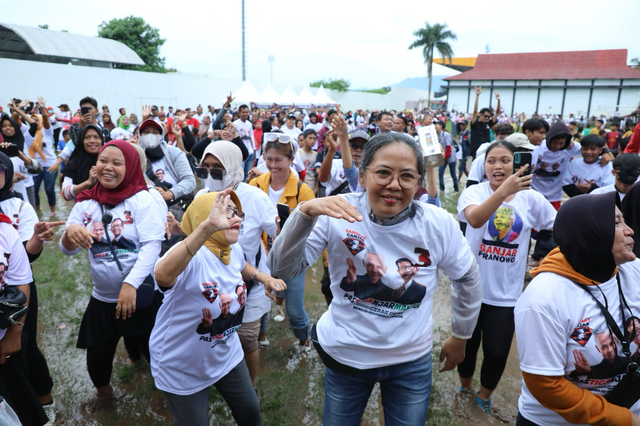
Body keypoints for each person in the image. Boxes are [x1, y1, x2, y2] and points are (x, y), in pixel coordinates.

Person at [268, 132, 481, 425]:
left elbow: (468, 279)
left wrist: (461, 335)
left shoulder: (438, 223)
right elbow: (281, 269)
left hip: (410, 358)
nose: (394, 185)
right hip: (347, 356)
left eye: (406, 176)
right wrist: (304, 214)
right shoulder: (337, 211)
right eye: (383, 173)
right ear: (363, 175)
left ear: (418, 184)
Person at [514, 192, 640, 426]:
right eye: (616, 222)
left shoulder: (633, 271)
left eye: (624, 220)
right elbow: (547, 385)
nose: (629, 229)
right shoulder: (542, 300)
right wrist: (626, 420)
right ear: (589, 234)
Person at [60, 140, 165, 412]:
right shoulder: (85, 203)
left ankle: (168, 392)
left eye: (117, 163)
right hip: (104, 299)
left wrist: (131, 283)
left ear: (130, 167)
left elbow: (153, 245)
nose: (107, 167)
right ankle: (105, 395)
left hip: (140, 296)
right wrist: (69, 235)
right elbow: (67, 250)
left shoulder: (142, 199)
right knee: (97, 355)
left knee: (157, 353)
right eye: (103, 160)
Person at [151, 189, 269, 426]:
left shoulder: (232, 248)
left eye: (237, 213)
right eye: (226, 213)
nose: (235, 218)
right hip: (181, 363)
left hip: (225, 352)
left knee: (250, 412)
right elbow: (162, 275)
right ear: (205, 217)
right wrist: (206, 229)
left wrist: (262, 277)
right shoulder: (190, 256)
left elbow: (239, 265)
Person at [456, 141, 556, 414]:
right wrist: (503, 193)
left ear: (518, 164)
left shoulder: (531, 198)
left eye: (504, 160)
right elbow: (475, 220)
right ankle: (464, 388)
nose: (497, 166)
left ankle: (484, 397)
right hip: (470, 289)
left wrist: (548, 261)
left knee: (498, 352)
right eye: (491, 161)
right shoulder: (474, 192)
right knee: (466, 346)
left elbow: (559, 226)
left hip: (507, 295)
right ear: (483, 166)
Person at [188, 141, 283, 385]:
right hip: (214, 284)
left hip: (249, 280)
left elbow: (278, 233)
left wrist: (288, 223)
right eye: (204, 170)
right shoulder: (202, 196)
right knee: (216, 333)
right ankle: (214, 375)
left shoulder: (255, 197)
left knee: (246, 338)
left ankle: (249, 385)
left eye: (217, 170)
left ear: (232, 168)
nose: (209, 176)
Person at [249, 135, 315, 350]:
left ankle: (304, 340)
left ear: (291, 160)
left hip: (292, 257)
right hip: (261, 253)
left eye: (279, 160)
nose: (273, 165)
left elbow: (314, 230)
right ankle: (260, 335)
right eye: (269, 159)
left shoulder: (302, 191)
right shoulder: (255, 184)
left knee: (294, 310)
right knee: (260, 300)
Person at [137, 119, 196, 220]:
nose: (150, 135)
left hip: (175, 205)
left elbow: (189, 181)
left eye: (155, 132)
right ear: (140, 135)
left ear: (161, 135)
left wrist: (170, 193)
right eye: (146, 132)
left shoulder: (174, 152)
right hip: (148, 207)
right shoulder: (136, 156)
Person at [61, 125, 104, 201]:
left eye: (96, 137)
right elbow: (66, 194)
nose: (92, 141)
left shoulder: (109, 161)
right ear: (82, 140)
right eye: (87, 137)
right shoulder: (74, 162)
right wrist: (88, 182)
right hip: (83, 208)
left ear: (101, 140)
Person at [470, 87, 500, 158]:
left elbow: (497, 113)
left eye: (488, 117)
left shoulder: (487, 124)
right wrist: (477, 96)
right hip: (476, 151)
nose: (487, 118)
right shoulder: (475, 123)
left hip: (486, 150)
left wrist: (498, 101)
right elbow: (475, 110)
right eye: (485, 116)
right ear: (480, 115)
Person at [234, 105, 256, 180]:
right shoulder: (235, 124)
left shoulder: (249, 124)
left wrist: (254, 151)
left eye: (247, 112)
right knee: (241, 174)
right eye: (243, 112)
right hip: (240, 152)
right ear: (239, 113)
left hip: (250, 152)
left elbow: (252, 138)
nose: (245, 114)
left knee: (248, 173)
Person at [436, 120, 458, 192]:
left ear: (441, 126)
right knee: (440, 173)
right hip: (443, 156)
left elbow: (448, 147)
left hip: (450, 156)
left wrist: (446, 157)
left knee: (453, 173)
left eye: (437, 124)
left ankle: (456, 188)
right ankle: (442, 188)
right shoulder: (437, 135)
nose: (435, 126)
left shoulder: (446, 135)